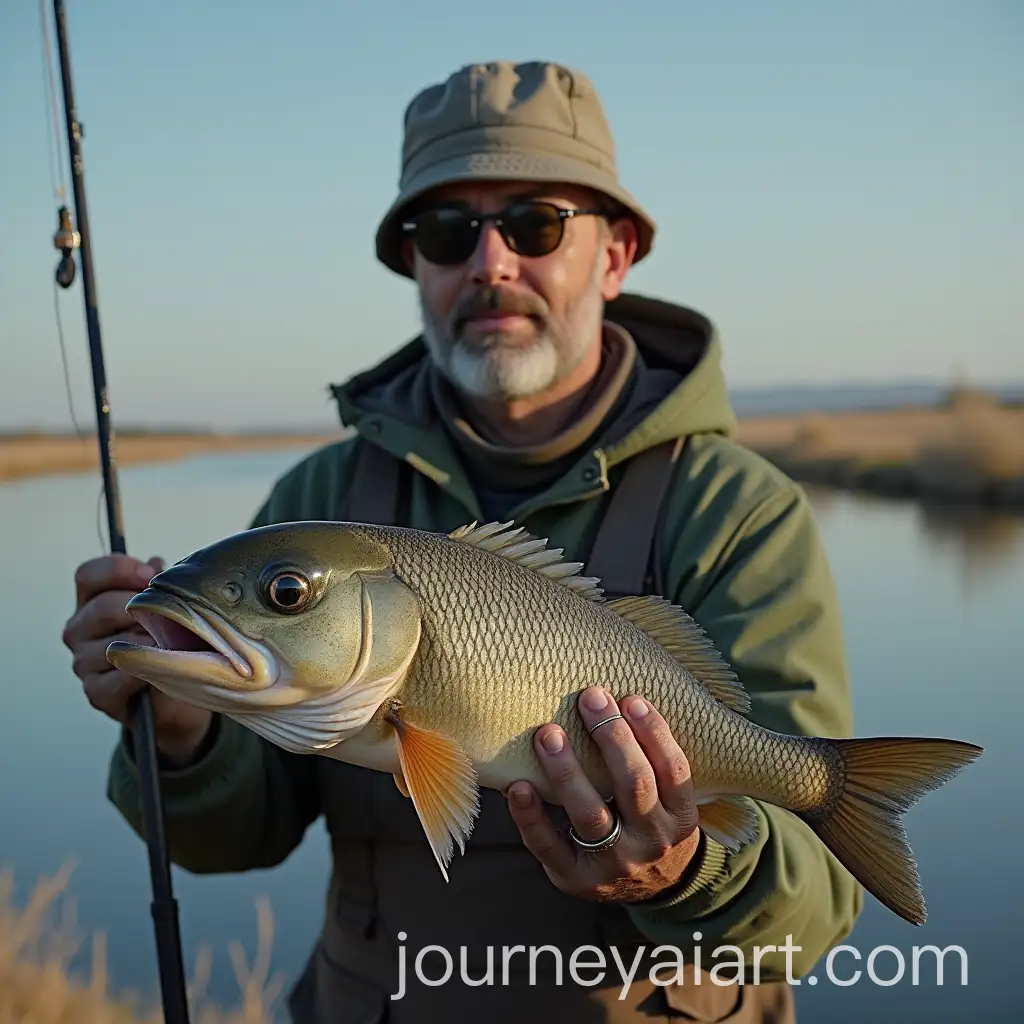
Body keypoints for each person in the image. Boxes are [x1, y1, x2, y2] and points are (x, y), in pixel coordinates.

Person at [62, 60, 861, 1023]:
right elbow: (235, 840)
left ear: (615, 254)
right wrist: (180, 734)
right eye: (447, 232)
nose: (490, 265)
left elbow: (812, 914)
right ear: (415, 264)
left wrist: (682, 870)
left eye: (535, 224)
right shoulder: (319, 498)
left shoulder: (739, 510)